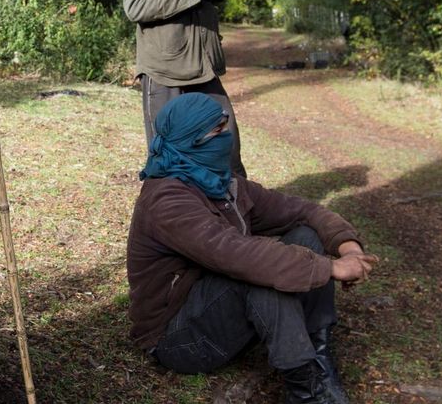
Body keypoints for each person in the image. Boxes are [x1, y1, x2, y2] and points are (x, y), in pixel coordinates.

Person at [127, 93, 379, 403]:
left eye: (225, 127)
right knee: (261, 273)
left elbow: (301, 210)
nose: (226, 137)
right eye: (217, 131)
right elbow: (236, 254)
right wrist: (330, 268)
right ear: (191, 140)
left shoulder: (220, 182)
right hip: (178, 339)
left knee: (305, 234)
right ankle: (306, 391)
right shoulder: (168, 200)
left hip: (216, 311)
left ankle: (318, 357)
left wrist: (347, 247)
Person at [122, 0, 245, 177]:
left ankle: (236, 216)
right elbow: (136, 6)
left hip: (205, 65)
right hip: (165, 70)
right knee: (168, 160)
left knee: (227, 152)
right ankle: (172, 217)